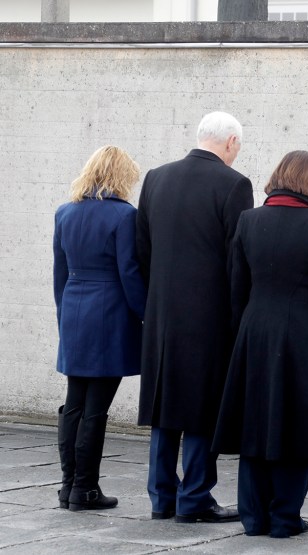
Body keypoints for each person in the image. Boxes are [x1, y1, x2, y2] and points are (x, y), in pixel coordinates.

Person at [212, 150, 308, 538]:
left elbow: (236, 287)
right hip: (304, 338)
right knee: (297, 427)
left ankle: (254, 518)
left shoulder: (249, 220)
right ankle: (285, 518)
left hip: (254, 333)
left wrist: (242, 335)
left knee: (255, 427)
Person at [135, 111, 254, 523]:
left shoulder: (155, 178)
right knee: (204, 410)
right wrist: (240, 319)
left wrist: (157, 300)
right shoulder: (234, 184)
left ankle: (161, 497)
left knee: (164, 408)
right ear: (230, 143)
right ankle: (195, 497)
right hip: (211, 318)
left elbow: (142, 251)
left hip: (162, 314)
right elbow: (237, 260)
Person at [53, 145, 146, 511]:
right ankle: (85, 488)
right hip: (110, 315)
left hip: (75, 310)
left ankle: (68, 487)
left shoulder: (65, 212)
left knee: (74, 401)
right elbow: (129, 273)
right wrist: (146, 314)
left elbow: (59, 273)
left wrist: (65, 317)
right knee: (96, 406)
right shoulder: (124, 216)